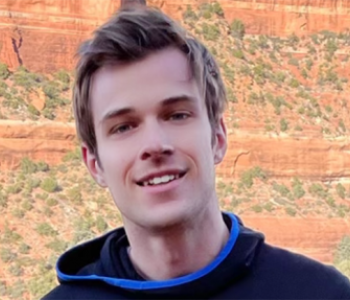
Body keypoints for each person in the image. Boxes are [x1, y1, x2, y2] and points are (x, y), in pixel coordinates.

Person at [42, 1, 350, 299]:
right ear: (94, 164)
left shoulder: (321, 293)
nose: (154, 145)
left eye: (177, 115)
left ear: (217, 137)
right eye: (124, 127)